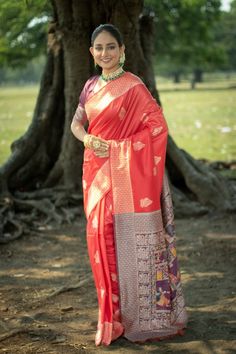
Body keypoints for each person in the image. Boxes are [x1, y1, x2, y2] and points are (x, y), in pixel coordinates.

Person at [71, 24, 188, 346]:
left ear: (122, 50)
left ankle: (139, 315)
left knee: (115, 235)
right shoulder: (90, 86)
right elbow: (76, 124)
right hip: (95, 172)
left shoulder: (134, 87)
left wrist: (119, 147)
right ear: (91, 53)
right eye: (98, 48)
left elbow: (156, 128)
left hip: (125, 171)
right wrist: (89, 139)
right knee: (99, 237)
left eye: (111, 47)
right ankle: (111, 317)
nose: (104, 53)